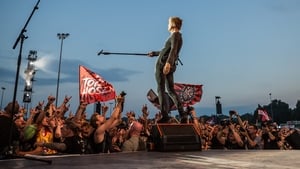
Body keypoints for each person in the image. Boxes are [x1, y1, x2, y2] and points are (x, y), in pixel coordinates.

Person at [148, 16, 186, 123]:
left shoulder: (175, 35)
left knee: (161, 89)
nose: (167, 25)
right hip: (169, 64)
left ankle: (165, 116)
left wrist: (167, 64)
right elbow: (167, 50)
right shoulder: (178, 36)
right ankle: (182, 114)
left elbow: (173, 50)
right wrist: (154, 53)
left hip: (163, 65)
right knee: (170, 90)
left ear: (173, 24)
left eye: (169, 23)